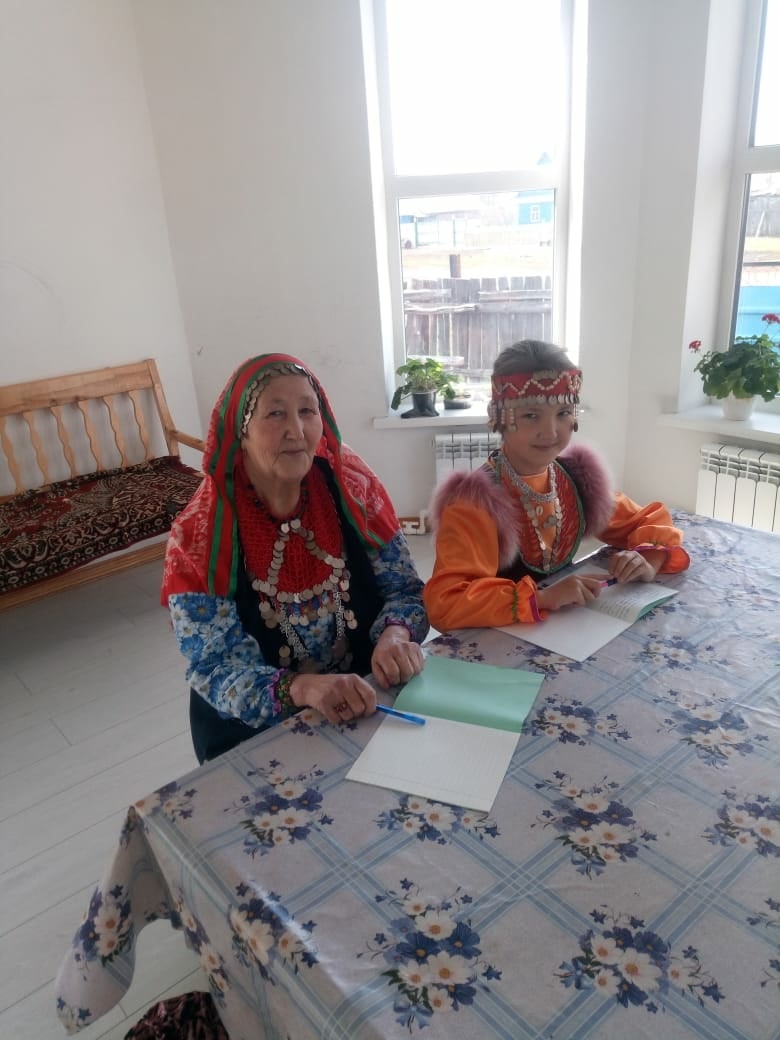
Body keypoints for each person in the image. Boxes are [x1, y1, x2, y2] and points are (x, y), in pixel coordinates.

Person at [162, 354, 428, 763]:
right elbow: (214, 667)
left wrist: (396, 634)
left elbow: (405, 590)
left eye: (307, 411)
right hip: (259, 731)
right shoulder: (200, 535)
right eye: (275, 414)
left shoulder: (354, 490)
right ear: (240, 431)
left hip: (365, 701)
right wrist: (302, 688)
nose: (297, 431)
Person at [424, 339, 690, 631]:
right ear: (497, 416)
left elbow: (646, 520)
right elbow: (446, 602)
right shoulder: (476, 502)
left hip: (569, 630)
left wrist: (646, 560)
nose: (550, 431)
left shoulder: (576, 478)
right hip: (499, 639)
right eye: (531, 416)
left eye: (563, 413)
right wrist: (542, 598)